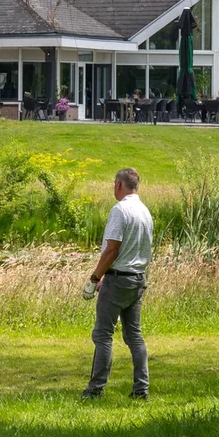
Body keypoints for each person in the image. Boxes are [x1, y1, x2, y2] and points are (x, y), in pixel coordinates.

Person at [82, 168, 154, 400]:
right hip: (137, 278)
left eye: (115, 184)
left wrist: (95, 278)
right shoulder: (145, 212)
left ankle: (95, 389)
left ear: (120, 185)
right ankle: (141, 389)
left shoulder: (120, 210)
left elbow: (112, 249)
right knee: (134, 335)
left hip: (118, 279)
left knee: (103, 335)